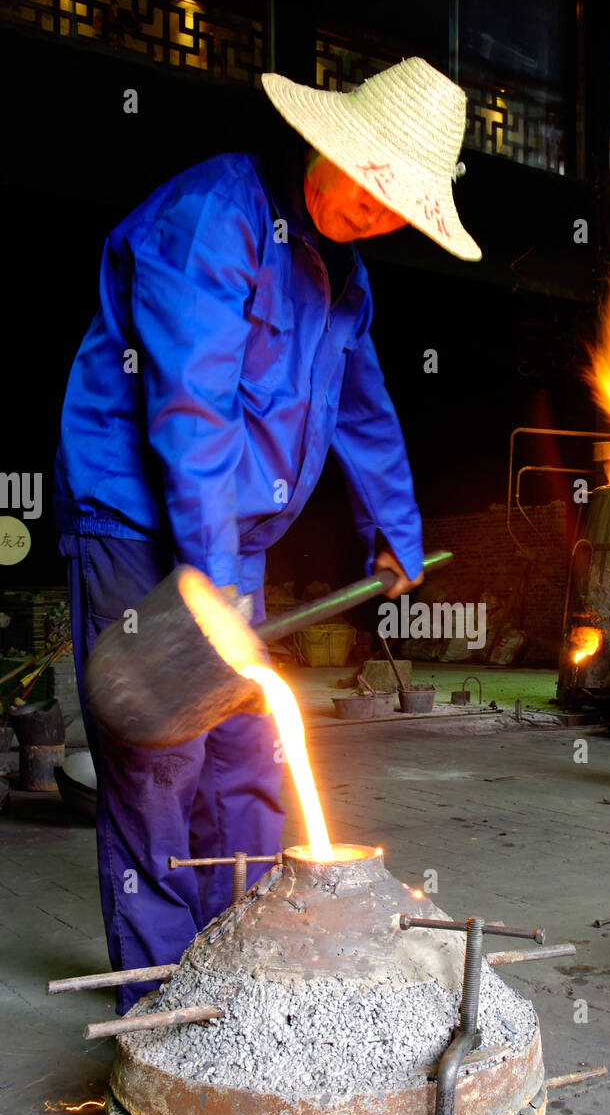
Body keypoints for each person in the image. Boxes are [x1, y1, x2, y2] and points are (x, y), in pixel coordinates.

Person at [54, 57, 481, 1013]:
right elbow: (189, 407)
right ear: (326, 144)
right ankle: (164, 1001)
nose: (376, 209)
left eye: (397, 203)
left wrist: (395, 529)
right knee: (160, 758)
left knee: (246, 752)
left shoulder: (346, 282)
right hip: (137, 520)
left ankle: (247, 961)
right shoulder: (213, 217)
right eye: (370, 181)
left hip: (228, 540)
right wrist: (206, 581)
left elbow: (364, 408)